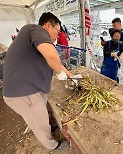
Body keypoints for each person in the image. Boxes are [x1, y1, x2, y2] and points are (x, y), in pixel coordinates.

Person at [3, 12, 81, 150]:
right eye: (57, 31)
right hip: (23, 93)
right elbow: (52, 57)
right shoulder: (34, 29)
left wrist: (71, 76)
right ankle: (52, 145)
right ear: (47, 25)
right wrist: (60, 74)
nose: (58, 35)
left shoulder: (35, 41)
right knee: (39, 123)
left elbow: (57, 63)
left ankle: (49, 128)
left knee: (42, 115)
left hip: (31, 88)